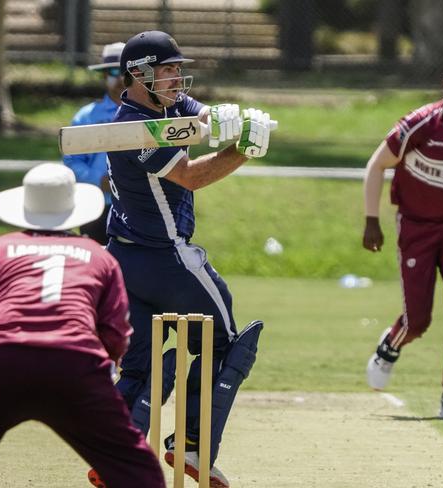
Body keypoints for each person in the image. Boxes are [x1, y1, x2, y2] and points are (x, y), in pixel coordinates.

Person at [0, 163, 165, 488]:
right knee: (133, 465)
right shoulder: (98, 255)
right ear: (74, 210)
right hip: (77, 363)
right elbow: (116, 333)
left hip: (3, 360)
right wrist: (100, 372)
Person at [104, 30, 272, 487]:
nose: (177, 78)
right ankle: (192, 448)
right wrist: (243, 149)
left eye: (179, 69)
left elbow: (198, 115)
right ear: (138, 75)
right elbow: (189, 177)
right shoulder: (132, 128)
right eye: (167, 70)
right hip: (166, 256)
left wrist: (229, 119)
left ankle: (114, 457)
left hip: (122, 260)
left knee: (139, 364)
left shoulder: (169, 105)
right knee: (225, 344)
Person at [363, 52, 443, 420]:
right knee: (418, 320)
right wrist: (372, 219)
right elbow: (377, 164)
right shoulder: (421, 124)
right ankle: (391, 344)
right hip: (416, 226)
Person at [63, 42, 125, 244]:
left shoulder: (148, 117)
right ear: (104, 75)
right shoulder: (86, 117)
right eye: (115, 71)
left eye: (128, 71)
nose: (122, 78)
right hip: (95, 204)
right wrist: (99, 181)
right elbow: (72, 163)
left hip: (136, 206)